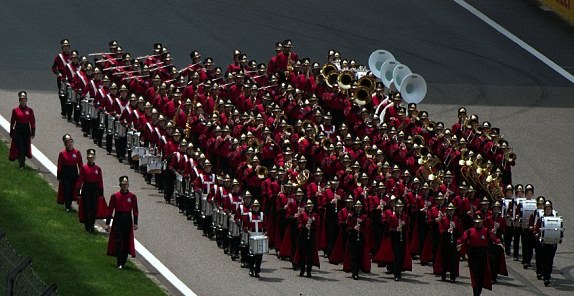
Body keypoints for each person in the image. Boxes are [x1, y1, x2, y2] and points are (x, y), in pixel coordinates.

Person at [457, 214, 502, 296]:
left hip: (483, 254)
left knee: (481, 274)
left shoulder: (486, 231)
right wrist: (459, 244)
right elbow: (462, 238)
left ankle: (479, 290)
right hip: (473, 254)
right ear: (474, 223)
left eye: (480, 223)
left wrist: (498, 242)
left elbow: (493, 237)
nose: (478, 224)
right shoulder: (470, 231)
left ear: (482, 223)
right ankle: (476, 291)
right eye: (476, 223)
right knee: (476, 274)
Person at [106, 176, 139, 269]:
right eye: (123, 184)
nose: (125, 186)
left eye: (126, 184)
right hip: (118, 219)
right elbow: (110, 210)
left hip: (127, 219)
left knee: (126, 241)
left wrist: (135, 223)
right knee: (118, 241)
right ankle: (119, 262)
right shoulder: (115, 196)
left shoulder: (132, 197)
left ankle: (123, 261)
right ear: (120, 185)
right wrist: (108, 223)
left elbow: (135, 210)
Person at [76, 149, 105, 232]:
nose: (91, 159)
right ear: (87, 158)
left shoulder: (97, 169)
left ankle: (92, 224)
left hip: (95, 189)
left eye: (92, 157)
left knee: (94, 208)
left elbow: (100, 180)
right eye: (90, 157)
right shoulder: (84, 168)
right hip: (86, 188)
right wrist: (78, 190)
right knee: (86, 208)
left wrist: (101, 191)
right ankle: (87, 225)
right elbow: (80, 179)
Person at [534, 200, 561, 286]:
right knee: (545, 260)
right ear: (544, 210)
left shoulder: (556, 219)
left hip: (553, 243)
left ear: (551, 210)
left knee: (550, 261)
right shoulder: (542, 219)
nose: (548, 211)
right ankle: (546, 278)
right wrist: (537, 233)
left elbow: (560, 229)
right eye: (546, 209)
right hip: (544, 244)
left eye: (549, 209)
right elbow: (536, 228)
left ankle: (547, 275)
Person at [9, 91, 36, 169]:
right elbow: (12, 121)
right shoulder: (15, 110)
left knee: (25, 146)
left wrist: (33, 132)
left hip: (26, 130)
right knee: (20, 147)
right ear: (19, 101)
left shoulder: (30, 110)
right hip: (18, 130)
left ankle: (23, 159)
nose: (23, 102)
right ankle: (22, 164)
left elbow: (32, 121)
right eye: (22, 100)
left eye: (25, 100)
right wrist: (11, 131)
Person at [293, 199, 320, 277]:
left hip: (311, 236)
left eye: (311, 207)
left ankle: (309, 271)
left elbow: (318, 224)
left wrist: (313, 224)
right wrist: (305, 226)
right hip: (303, 235)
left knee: (311, 254)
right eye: (308, 207)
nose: (310, 208)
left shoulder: (315, 215)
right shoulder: (302, 214)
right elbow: (299, 224)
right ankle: (302, 269)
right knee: (302, 254)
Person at [56, 134, 83, 211]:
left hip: (74, 172)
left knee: (72, 189)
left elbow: (80, 164)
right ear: (65, 144)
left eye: (71, 142)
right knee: (67, 189)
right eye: (68, 142)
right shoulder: (62, 153)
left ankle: (70, 204)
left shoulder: (77, 152)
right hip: (65, 173)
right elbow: (60, 164)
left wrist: (81, 175)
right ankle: (67, 206)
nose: (70, 144)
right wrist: (59, 175)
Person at [244, 199, 264, 278]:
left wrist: (266, 233)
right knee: (252, 254)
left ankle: (257, 271)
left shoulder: (262, 215)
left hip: (260, 236)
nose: (256, 208)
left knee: (259, 255)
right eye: (254, 207)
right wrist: (247, 231)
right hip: (252, 236)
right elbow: (245, 226)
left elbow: (265, 226)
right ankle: (251, 269)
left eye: (257, 207)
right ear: (252, 207)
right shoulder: (248, 215)